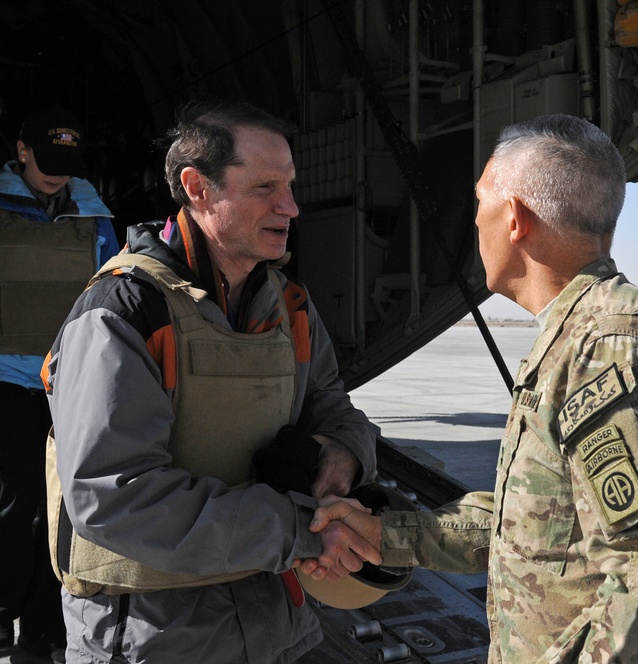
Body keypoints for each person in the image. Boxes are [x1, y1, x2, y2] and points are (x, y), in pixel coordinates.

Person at [316, 114, 638, 662]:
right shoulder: (580, 338)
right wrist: (387, 535)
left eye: (480, 201)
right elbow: (537, 524)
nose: (472, 220)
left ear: (513, 219)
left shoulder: (610, 350)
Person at [43, 101, 381, 664]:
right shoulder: (123, 313)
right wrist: (299, 528)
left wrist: (345, 455)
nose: (291, 207)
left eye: (291, 185)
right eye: (265, 187)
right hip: (155, 637)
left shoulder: (288, 305)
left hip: (278, 626)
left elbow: (336, 410)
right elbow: (113, 497)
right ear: (197, 187)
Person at [0, 105, 119, 661]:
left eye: (66, 164)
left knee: (63, 506)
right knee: (10, 504)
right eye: (47, 161)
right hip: (3, 381)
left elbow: (108, 291)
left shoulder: (93, 214)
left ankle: (46, 629)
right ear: (21, 151)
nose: (57, 174)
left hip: (64, 383)